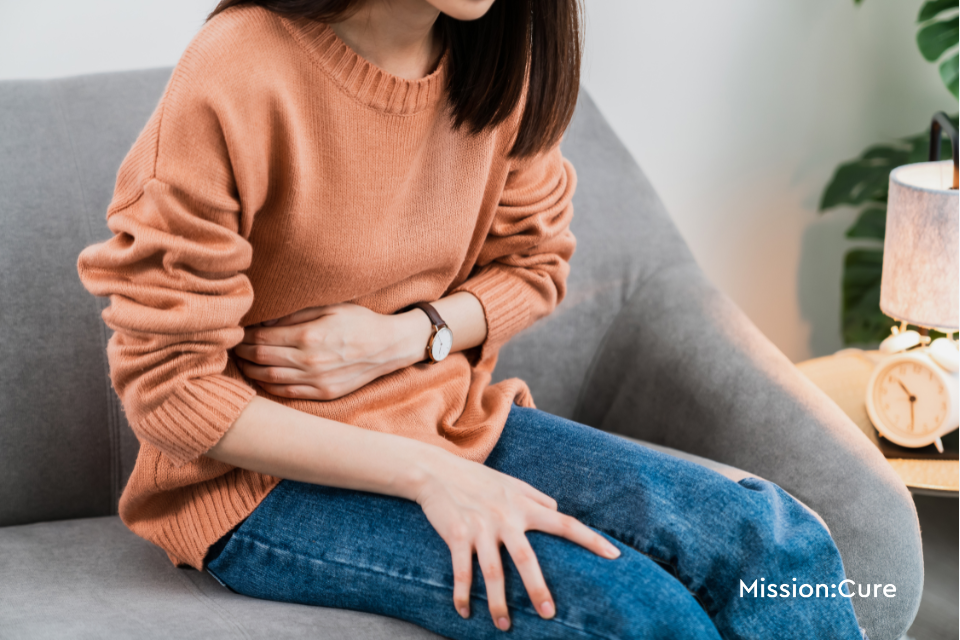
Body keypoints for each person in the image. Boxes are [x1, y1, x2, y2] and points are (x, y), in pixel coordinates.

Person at [77, 1, 867, 637]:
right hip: (260, 486)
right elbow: (171, 391)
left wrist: (407, 336)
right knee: (632, 612)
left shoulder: (499, 62)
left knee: (774, 539)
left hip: (450, 420)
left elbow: (534, 265)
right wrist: (435, 476)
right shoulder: (240, 68)